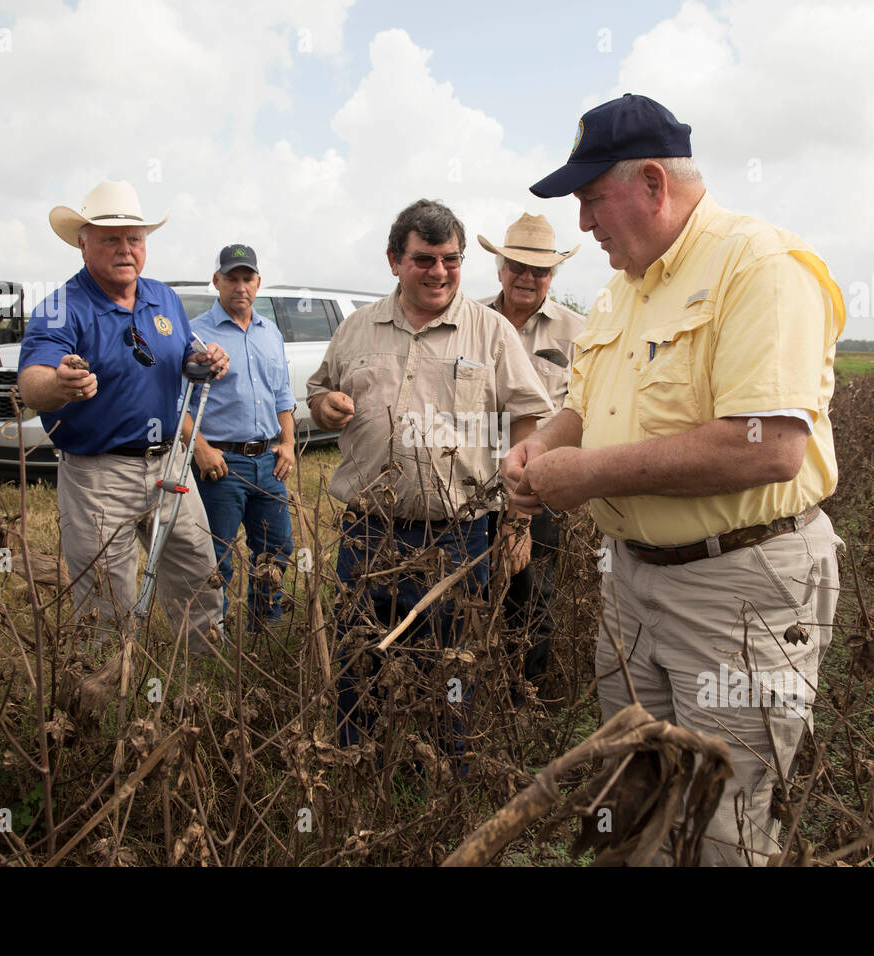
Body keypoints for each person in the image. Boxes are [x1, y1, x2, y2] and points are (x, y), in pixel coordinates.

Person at [506, 94, 845, 865]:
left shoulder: (761, 266)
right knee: (634, 794)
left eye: (592, 200)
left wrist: (584, 476)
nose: (584, 225)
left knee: (720, 819)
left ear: (653, 184)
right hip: (632, 584)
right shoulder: (624, 286)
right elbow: (586, 407)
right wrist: (540, 451)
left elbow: (767, 449)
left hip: (738, 588)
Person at [306, 198, 552, 749]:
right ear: (394, 260)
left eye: (451, 258)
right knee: (359, 658)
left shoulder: (489, 332)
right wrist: (326, 408)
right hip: (367, 530)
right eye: (424, 259)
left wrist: (517, 519)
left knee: (451, 669)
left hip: (458, 535)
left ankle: (447, 773)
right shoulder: (355, 330)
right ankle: (359, 765)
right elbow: (319, 393)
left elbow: (526, 422)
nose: (439, 271)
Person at [18, 181, 229, 655]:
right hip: (99, 473)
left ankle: (206, 687)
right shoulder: (61, 307)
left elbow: (186, 353)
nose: (125, 249)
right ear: (82, 242)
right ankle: (106, 703)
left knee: (200, 576)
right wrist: (59, 385)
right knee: (104, 601)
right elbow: (31, 381)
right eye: (110, 238)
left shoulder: (163, 298)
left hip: (170, 464)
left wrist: (208, 358)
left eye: (134, 238)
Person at [478, 214, 584, 697]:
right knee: (472, 586)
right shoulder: (470, 322)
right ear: (500, 267)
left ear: (552, 276)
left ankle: (525, 695)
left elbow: (586, 411)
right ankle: (471, 686)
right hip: (469, 483)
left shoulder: (576, 333)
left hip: (537, 485)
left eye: (539, 270)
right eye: (517, 265)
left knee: (533, 590)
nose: (527, 277)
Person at [188, 244, 295, 628]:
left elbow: (283, 394)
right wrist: (200, 449)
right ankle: (210, 638)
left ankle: (265, 626)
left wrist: (289, 444)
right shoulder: (195, 335)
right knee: (214, 557)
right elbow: (175, 404)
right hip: (221, 463)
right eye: (231, 278)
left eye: (247, 278)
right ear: (216, 281)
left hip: (269, 463)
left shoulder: (271, 333)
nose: (240, 286)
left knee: (276, 550)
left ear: (258, 282)